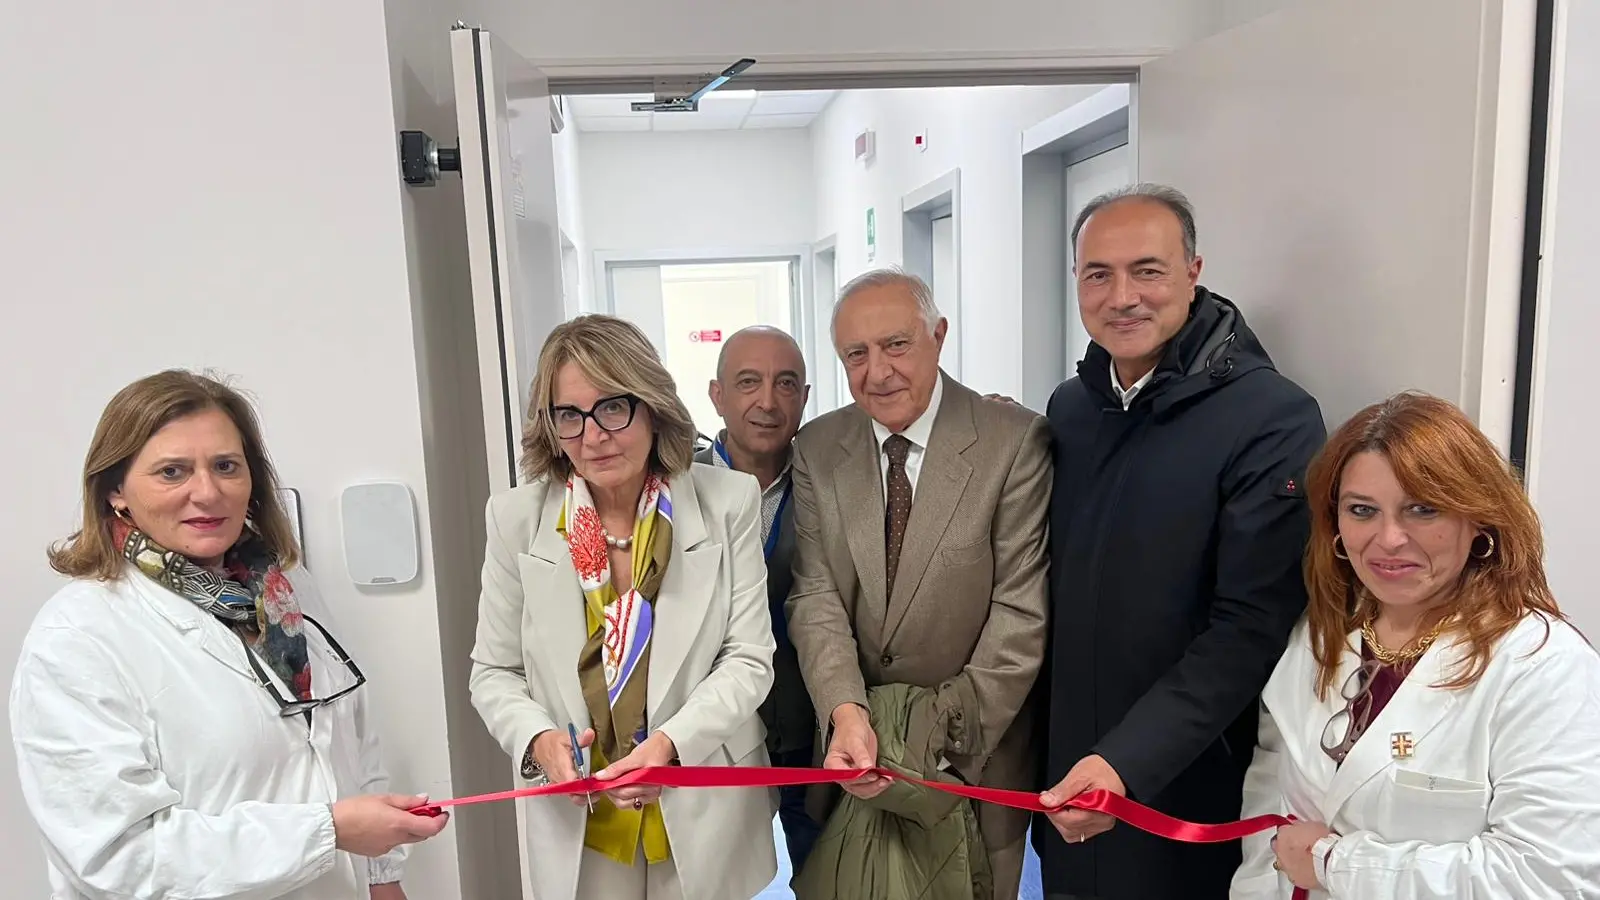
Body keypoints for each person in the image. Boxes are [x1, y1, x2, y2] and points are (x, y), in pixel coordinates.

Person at [9, 369, 445, 900]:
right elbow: (119, 857)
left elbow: (350, 743)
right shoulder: (76, 637)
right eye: (172, 471)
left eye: (225, 466)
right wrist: (326, 831)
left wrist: (383, 878)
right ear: (116, 491)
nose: (207, 492)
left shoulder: (285, 592)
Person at [1036, 183, 1327, 900]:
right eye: (1098, 274)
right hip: (1069, 781)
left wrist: (1128, 763)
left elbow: (1251, 628)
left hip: (1185, 789)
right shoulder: (1071, 408)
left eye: (1148, 271)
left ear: (1193, 272)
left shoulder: (1271, 419)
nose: (1122, 297)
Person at [1231, 391, 1600, 898]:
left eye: (1422, 510)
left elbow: (1548, 879)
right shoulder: (1319, 636)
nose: (1388, 539)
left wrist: (1334, 864)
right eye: (1362, 510)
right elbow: (1269, 815)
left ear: (1479, 519)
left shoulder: (1543, 666)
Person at [468, 314, 778, 900]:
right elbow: (493, 672)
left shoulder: (728, 501)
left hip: (703, 803)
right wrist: (539, 741)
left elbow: (748, 659)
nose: (593, 436)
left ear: (652, 406)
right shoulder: (515, 521)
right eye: (570, 415)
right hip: (583, 817)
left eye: (613, 407)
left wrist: (671, 747)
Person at [786, 268, 1052, 899]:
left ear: (939, 335)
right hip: (854, 756)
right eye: (856, 354)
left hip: (973, 762)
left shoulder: (1013, 441)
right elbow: (816, 596)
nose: (877, 372)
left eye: (896, 345)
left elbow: (1020, 613)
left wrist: (934, 731)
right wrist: (847, 713)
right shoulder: (818, 447)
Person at [695, 325, 822, 873]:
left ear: (805, 396)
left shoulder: (830, 481)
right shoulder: (675, 487)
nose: (767, 401)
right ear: (717, 395)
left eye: (785, 383)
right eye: (748, 382)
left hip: (810, 735)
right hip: (711, 740)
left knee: (826, 880)